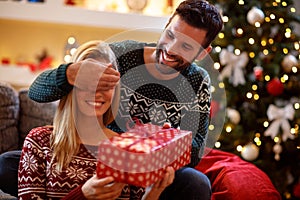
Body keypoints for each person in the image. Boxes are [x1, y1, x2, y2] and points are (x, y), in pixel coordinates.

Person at [0, 0, 223, 199]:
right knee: (7, 164)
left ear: (202, 52)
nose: (171, 49)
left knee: (195, 183)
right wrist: (70, 73)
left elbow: (194, 152)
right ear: (166, 26)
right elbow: (37, 93)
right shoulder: (120, 54)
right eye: (171, 35)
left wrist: (163, 142)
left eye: (186, 46)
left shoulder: (198, 82)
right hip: (91, 150)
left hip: (148, 165)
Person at [18, 40, 174, 199]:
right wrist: (83, 196)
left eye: (106, 84)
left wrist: (152, 193)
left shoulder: (127, 149)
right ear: (71, 85)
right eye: (88, 83)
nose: (96, 92)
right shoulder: (39, 141)